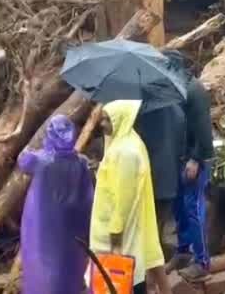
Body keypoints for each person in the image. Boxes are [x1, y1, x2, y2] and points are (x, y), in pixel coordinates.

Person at [91, 100, 169, 294]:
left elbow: (124, 197)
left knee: (122, 280)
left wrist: (116, 233)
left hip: (118, 233)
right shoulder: (125, 142)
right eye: (102, 119)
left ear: (121, 120)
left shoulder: (125, 152)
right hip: (123, 229)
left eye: (108, 120)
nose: (102, 124)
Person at [17, 115, 94, 294]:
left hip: (41, 224)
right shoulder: (81, 162)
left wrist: (30, 147)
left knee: (41, 264)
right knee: (68, 265)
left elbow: (23, 161)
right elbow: (88, 196)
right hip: (72, 225)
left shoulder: (40, 160)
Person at [167, 51, 213, 281]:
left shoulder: (194, 90)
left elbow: (204, 130)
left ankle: (202, 262)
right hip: (179, 158)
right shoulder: (175, 89)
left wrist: (196, 158)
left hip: (195, 160)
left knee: (194, 209)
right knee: (179, 208)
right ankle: (183, 251)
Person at [134, 98, 187, 258]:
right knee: (160, 218)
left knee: (144, 220)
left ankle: (146, 257)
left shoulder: (143, 110)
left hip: (148, 173)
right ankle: (157, 251)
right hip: (170, 174)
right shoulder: (178, 109)